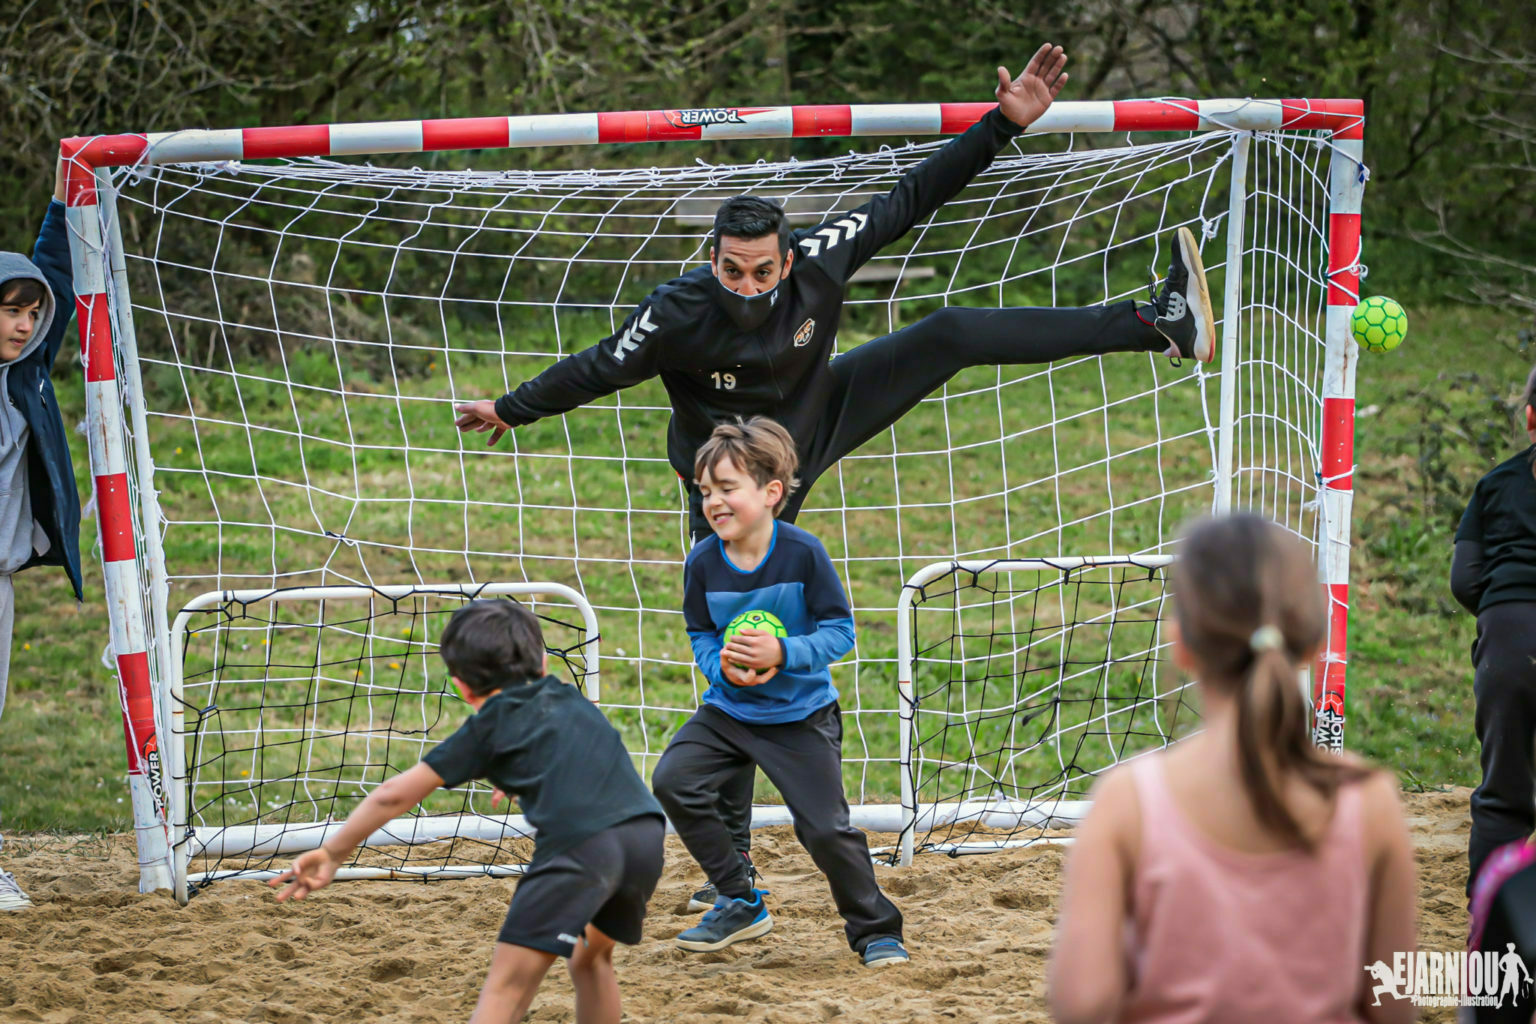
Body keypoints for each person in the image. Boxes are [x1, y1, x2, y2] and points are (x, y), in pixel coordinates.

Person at [454, 42, 1216, 905]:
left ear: (787, 261)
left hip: (820, 413)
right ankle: (734, 869)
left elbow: (910, 197)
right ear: (712, 260)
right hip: (737, 482)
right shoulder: (675, 314)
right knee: (738, 650)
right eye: (731, 270)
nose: (748, 287)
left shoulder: (820, 260)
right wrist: (511, 407)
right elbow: (596, 366)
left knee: (951, 333)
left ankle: (1158, 323)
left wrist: (1002, 125)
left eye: (763, 271)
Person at [1048, 513, 1417, 1023]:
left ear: (1182, 645)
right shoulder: (1370, 801)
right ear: (1314, 644)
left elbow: (1082, 1003)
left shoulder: (1127, 803)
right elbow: (1394, 1008)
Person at [270, 599, 666, 1024]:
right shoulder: (570, 699)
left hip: (582, 849)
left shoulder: (490, 725)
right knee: (591, 959)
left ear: (461, 686)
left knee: (506, 990)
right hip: (644, 839)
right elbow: (570, 759)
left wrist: (333, 852)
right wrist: (517, 778)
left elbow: (391, 795)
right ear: (544, 663)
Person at [650, 416, 908, 968]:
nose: (713, 502)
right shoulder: (702, 561)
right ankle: (738, 899)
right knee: (674, 781)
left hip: (800, 715)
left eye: (727, 488)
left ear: (770, 493)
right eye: (705, 491)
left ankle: (876, 931)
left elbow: (840, 631)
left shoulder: (802, 552)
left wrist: (782, 653)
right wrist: (722, 670)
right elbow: (700, 631)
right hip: (730, 710)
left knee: (825, 831)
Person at [0, 156, 85, 913]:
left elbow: (52, 265)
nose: (23, 324)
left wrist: (65, 192)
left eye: (32, 313)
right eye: (10, 310)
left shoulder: (26, 375)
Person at [1451, 365, 1536, 894]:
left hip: (1509, 641)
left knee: (1504, 798)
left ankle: (1492, 928)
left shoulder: (1497, 483)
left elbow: (1464, 581)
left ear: (1530, 417)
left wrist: (1508, 620)